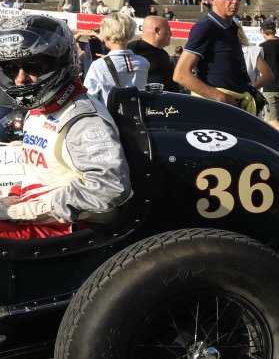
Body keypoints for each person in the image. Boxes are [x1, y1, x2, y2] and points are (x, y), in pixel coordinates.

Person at [0, 15, 131, 238]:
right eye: (10, 69)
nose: (20, 79)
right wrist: (14, 196)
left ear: (59, 63)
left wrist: (31, 209)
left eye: (33, 66)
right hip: (42, 215)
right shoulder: (39, 110)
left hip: (73, 227)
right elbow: (41, 175)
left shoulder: (83, 121)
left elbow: (111, 187)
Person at [175, 0, 267, 110]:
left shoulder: (231, 27)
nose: (235, 1)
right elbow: (181, 74)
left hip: (233, 106)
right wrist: (220, 97)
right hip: (215, 109)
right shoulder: (205, 27)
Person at [82, 14, 149, 105]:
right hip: (137, 112)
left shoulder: (98, 65)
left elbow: (90, 98)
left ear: (106, 37)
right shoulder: (143, 62)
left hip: (108, 113)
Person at [254, 19, 279, 134]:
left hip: (270, 87)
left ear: (262, 31)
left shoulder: (263, 46)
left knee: (271, 120)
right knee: (277, 119)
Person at [127, 14, 174, 91]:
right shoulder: (132, 50)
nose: (171, 34)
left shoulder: (163, 53)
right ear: (157, 31)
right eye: (168, 30)